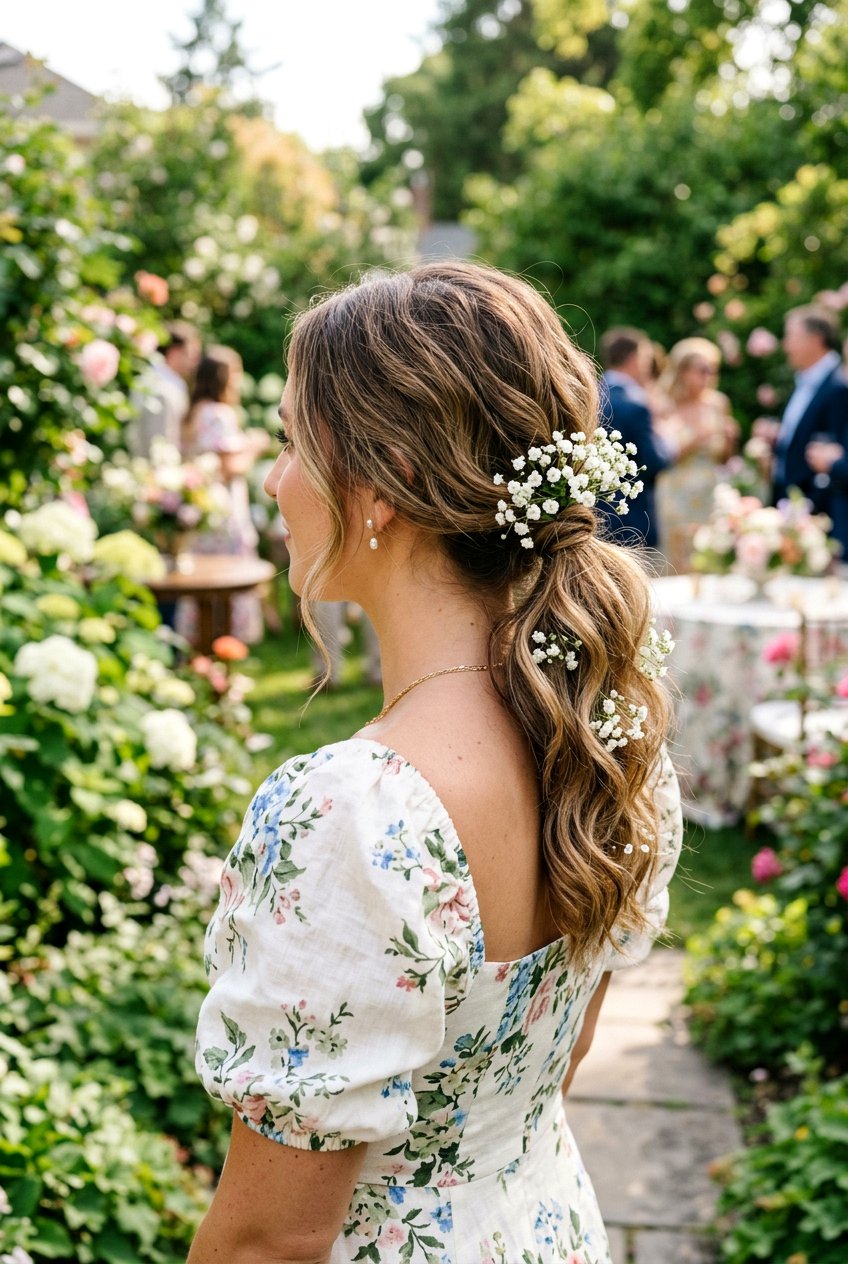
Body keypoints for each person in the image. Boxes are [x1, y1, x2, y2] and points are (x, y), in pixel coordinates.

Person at [189, 263, 683, 1264]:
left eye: (291, 441)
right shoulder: (605, 736)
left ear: (376, 491)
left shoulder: (354, 814)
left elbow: (267, 1242)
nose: (275, 479)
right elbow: (552, 1066)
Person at [179, 345, 269, 645]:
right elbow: (229, 466)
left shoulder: (192, 414)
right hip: (223, 513)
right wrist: (255, 446)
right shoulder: (219, 414)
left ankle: (202, 645)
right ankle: (225, 645)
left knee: (201, 584)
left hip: (200, 512)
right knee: (227, 583)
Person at [653, 337, 740, 571]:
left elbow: (724, 459)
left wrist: (730, 441)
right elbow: (661, 456)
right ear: (682, 371)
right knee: (677, 560)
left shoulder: (718, 404)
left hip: (710, 493)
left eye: (712, 371)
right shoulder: (665, 405)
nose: (708, 378)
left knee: (709, 555)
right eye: (702, 371)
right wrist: (697, 438)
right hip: (676, 495)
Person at [753, 305, 848, 512]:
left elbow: (836, 450)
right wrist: (779, 437)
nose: (785, 345)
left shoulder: (839, 386)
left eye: (790, 337)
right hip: (790, 501)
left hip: (817, 509)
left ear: (815, 339)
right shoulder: (804, 381)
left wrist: (813, 506)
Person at [596, 327, 672, 550]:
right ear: (633, 359)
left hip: (596, 519)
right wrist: (669, 442)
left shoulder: (589, 396)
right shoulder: (636, 405)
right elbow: (653, 462)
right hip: (633, 520)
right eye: (646, 358)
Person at [128, 321, 201, 458]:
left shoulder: (170, 382)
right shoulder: (159, 387)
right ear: (175, 351)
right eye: (192, 352)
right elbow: (158, 437)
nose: (195, 359)